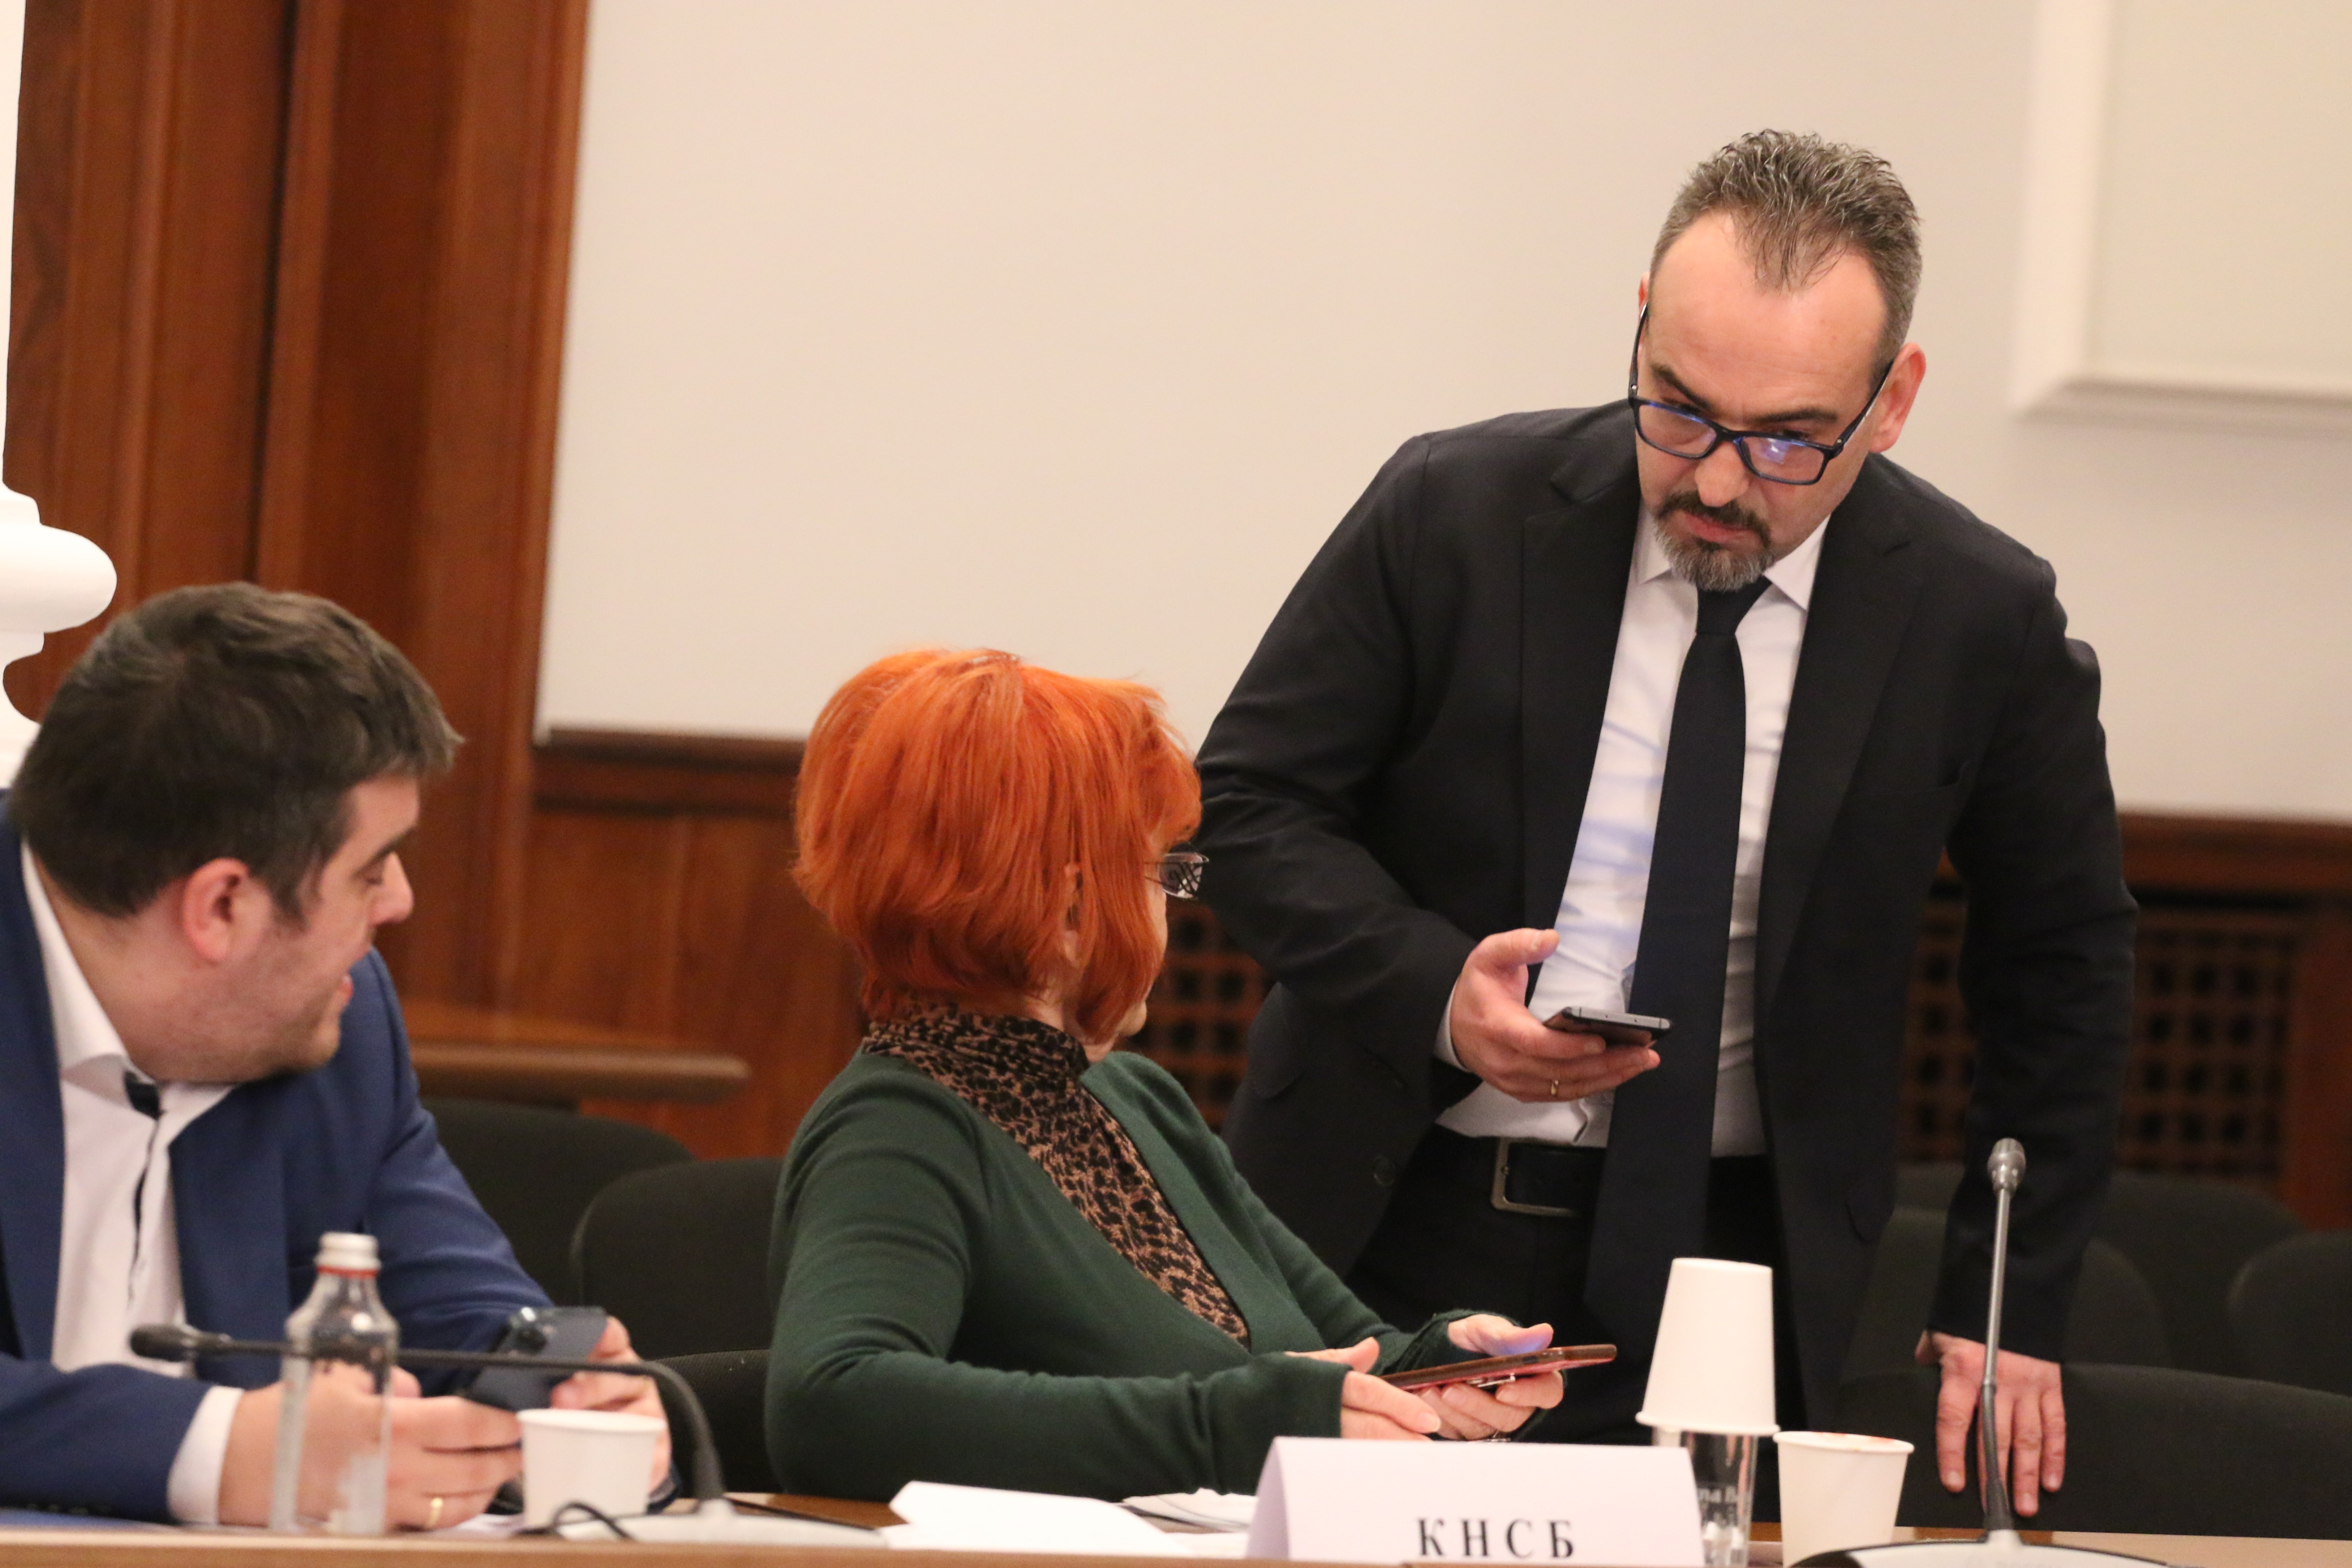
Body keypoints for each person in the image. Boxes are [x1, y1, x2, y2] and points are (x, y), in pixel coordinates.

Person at [1194, 131, 2134, 1516]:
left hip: (1736, 1272)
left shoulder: (1973, 614)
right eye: (1678, 410)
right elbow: (1241, 807)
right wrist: (1437, 993)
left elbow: (2060, 960)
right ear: (1638, 324)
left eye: (1786, 438)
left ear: (1890, 402)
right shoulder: (1453, 511)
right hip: (1388, 1218)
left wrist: (2004, 1293)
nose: (1716, 481)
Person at [766, 648, 1568, 1501]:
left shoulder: (1134, 1098)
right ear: (1072, 909)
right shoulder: (899, 1128)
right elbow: (830, 1406)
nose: (1170, 911)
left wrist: (1441, 1372)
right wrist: (1224, 1431)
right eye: (1160, 873)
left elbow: (1343, 1353)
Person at [0, 584, 669, 1526]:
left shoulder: (328, 1019)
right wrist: (215, 1449)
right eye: (371, 867)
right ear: (222, 906)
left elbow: (461, 1313)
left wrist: (564, 1403)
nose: (399, 901)